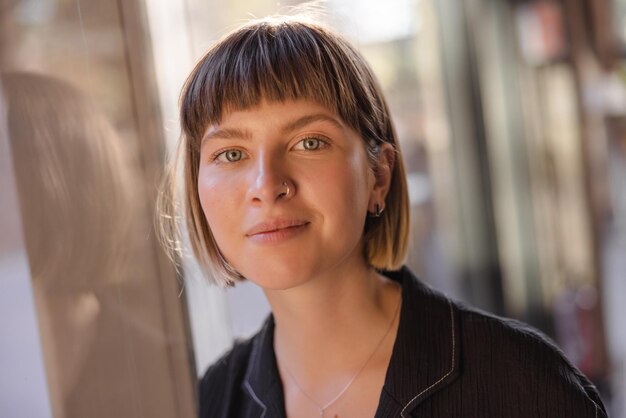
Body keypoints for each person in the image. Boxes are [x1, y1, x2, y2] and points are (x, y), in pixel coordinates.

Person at [161, 15, 608, 418]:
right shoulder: (212, 400)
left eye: (309, 142)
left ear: (379, 175)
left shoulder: (519, 382)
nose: (266, 185)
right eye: (232, 153)